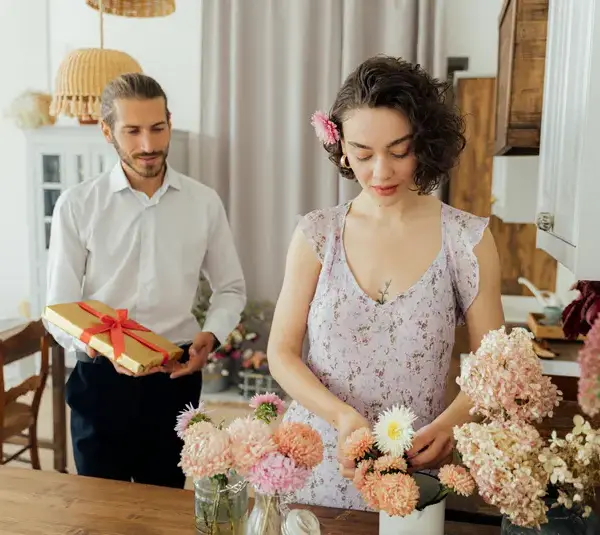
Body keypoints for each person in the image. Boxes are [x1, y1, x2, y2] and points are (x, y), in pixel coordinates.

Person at [266, 55, 504, 510]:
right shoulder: (317, 235)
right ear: (339, 147)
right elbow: (281, 352)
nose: (380, 172)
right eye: (362, 153)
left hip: (411, 469)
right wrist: (341, 416)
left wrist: (451, 423)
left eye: (399, 151)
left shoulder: (466, 240)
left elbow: (494, 366)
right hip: (315, 464)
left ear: (426, 143)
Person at [44, 73, 246, 489]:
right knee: (101, 510)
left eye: (157, 128)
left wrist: (211, 335)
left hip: (174, 377)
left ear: (170, 122)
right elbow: (58, 311)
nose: (149, 145)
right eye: (132, 131)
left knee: (164, 505)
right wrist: (101, 347)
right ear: (107, 131)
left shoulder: (204, 202)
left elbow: (230, 287)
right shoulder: (77, 205)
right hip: (99, 380)